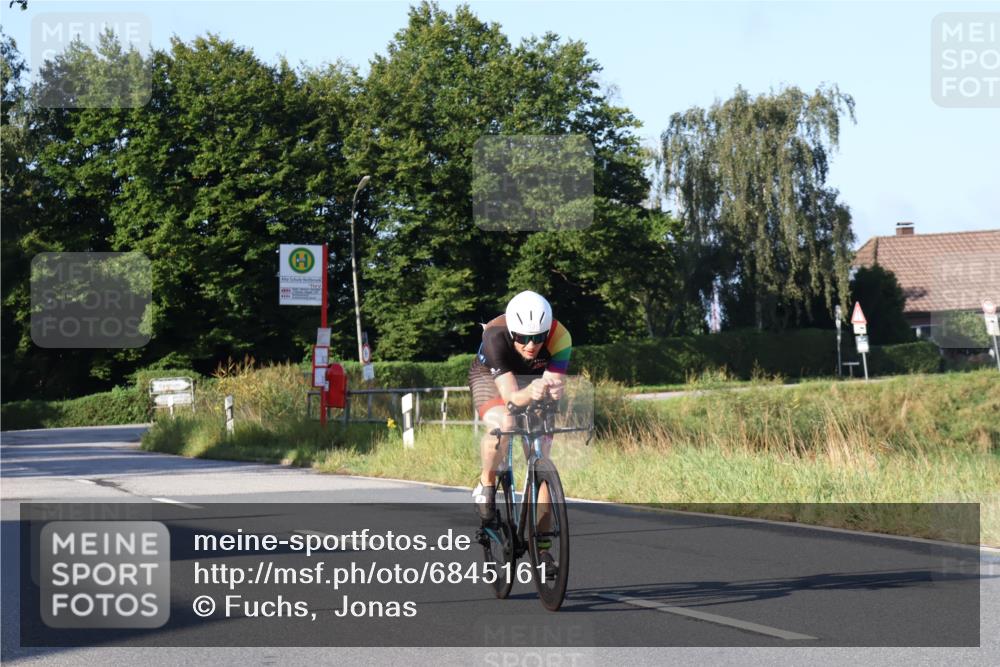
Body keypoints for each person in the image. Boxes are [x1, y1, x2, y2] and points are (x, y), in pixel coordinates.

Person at [468, 290, 572, 556]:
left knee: (542, 458)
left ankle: (544, 548)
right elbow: (512, 397)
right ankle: (486, 481)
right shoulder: (494, 336)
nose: (530, 345)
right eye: (523, 338)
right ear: (512, 331)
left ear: (547, 332)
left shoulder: (561, 337)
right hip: (490, 378)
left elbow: (553, 380)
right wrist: (534, 389)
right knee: (504, 420)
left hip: (533, 379)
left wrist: (555, 388)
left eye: (538, 338)